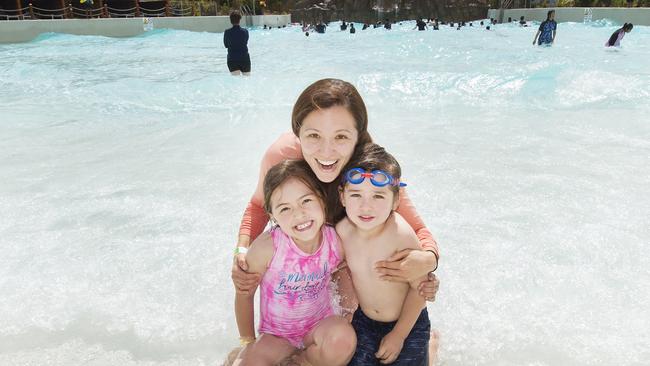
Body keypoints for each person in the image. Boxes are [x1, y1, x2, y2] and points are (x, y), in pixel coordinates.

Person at [233, 160, 356, 366]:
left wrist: (347, 308)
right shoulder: (268, 247)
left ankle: (303, 361)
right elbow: (244, 293)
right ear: (273, 216)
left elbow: (342, 267)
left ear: (322, 200)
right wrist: (248, 342)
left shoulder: (335, 240)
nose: (299, 214)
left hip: (319, 326)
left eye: (306, 201)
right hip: (277, 336)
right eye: (285, 209)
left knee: (343, 338)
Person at [338, 144, 431, 365]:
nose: (366, 206)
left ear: (396, 200)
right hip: (364, 321)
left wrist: (398, 335)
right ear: (342, 197)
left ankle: (431, 348)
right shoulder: (342, 232)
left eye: (378, 196)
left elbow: (420, 291)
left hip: (408, 324)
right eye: (356, 195)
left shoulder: (400, 234)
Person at [223, 11, 251, 76]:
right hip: (244, 59)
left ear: (230, 20)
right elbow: (245, 42)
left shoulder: (227, 32)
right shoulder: (245, 31)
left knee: (236, 81)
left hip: (232, 59)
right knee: (247, 80)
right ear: (240, 19)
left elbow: (226, 45)